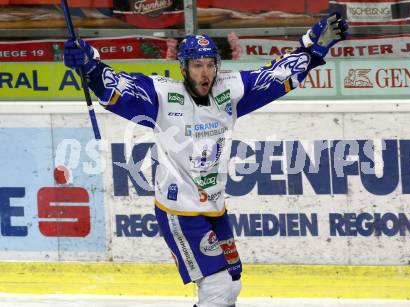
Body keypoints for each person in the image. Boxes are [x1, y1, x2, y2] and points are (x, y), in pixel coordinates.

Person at [63, 13, 348, 307]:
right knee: (217, 289)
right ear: (184, 68)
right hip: (180, 211)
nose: (205, 73)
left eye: (211, 64)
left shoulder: (229, 91)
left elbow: (275, 76)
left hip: (214, 206)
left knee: (232, 284)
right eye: (197, 65)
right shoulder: (162, 96)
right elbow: (119, 86)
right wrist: (89, 65)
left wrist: (311, 48)